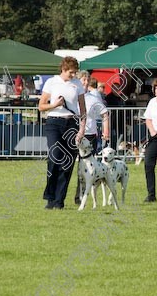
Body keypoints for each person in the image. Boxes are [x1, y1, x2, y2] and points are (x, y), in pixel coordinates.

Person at [38, 56, 86, 210]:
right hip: (54, 122)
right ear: (63, 69)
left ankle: (59, 201)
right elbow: (41, 106)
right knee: (55, 157)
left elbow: (82, 108)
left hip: (71, 123)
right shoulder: (52, 82)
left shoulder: (77, 84)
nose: (73, 75)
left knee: (67, 163)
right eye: (71, 72)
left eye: (75, 73)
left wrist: (82, 129)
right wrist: (55, 104)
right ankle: (50, 197)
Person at [74, 72, 110, 204]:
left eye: (87, 80)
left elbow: (105, 114)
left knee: (86, 167)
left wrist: (106, 131)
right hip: (73, 133)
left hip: (89, 136)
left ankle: (81, 195)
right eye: (83, 80)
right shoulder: (71, 97)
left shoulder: (93, 98)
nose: (85, 82)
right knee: (69, 166)